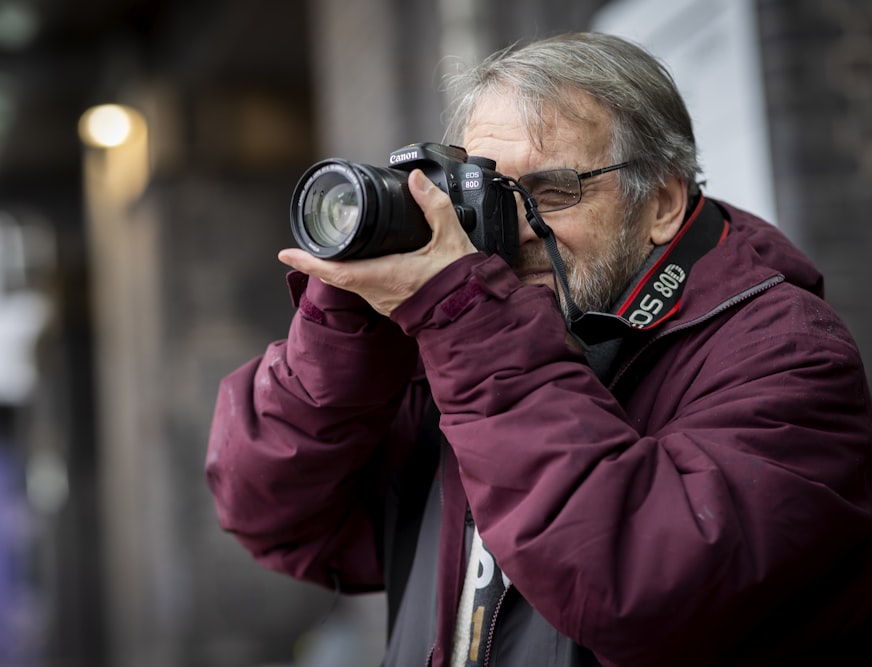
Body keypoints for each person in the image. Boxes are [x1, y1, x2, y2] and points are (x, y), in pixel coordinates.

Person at [205, 32, 872, 667]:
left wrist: (465, 316)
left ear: (663, 201)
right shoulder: (457, 348)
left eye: (552, 191)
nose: (515, 229)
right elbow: (272, 511)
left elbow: (642, 588)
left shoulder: (788, 354)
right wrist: (346, 326)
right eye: (492, 193)